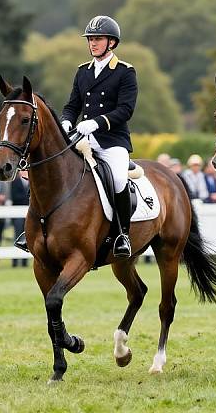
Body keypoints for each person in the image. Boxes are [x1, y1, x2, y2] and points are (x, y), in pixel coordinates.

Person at [59, 15, 138, 258]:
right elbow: (73, 105)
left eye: (98, 39)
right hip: (81, 137)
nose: (93, 43)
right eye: (90, 39)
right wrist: (66, 121)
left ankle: (123, 235)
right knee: (54, 168)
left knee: (117, 179)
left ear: (111, 43)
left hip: (112, 140)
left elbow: (126, 110)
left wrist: (96, 123)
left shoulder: (125, 72)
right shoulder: (83, 72)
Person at [11, 170, 29, 267]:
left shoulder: (32, 182)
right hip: (18, 214)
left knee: (28, 236)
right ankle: (15, 262)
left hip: (28, 213)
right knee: (17, 236)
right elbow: (15, 197)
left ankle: (24, 262)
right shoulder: (16, 182)